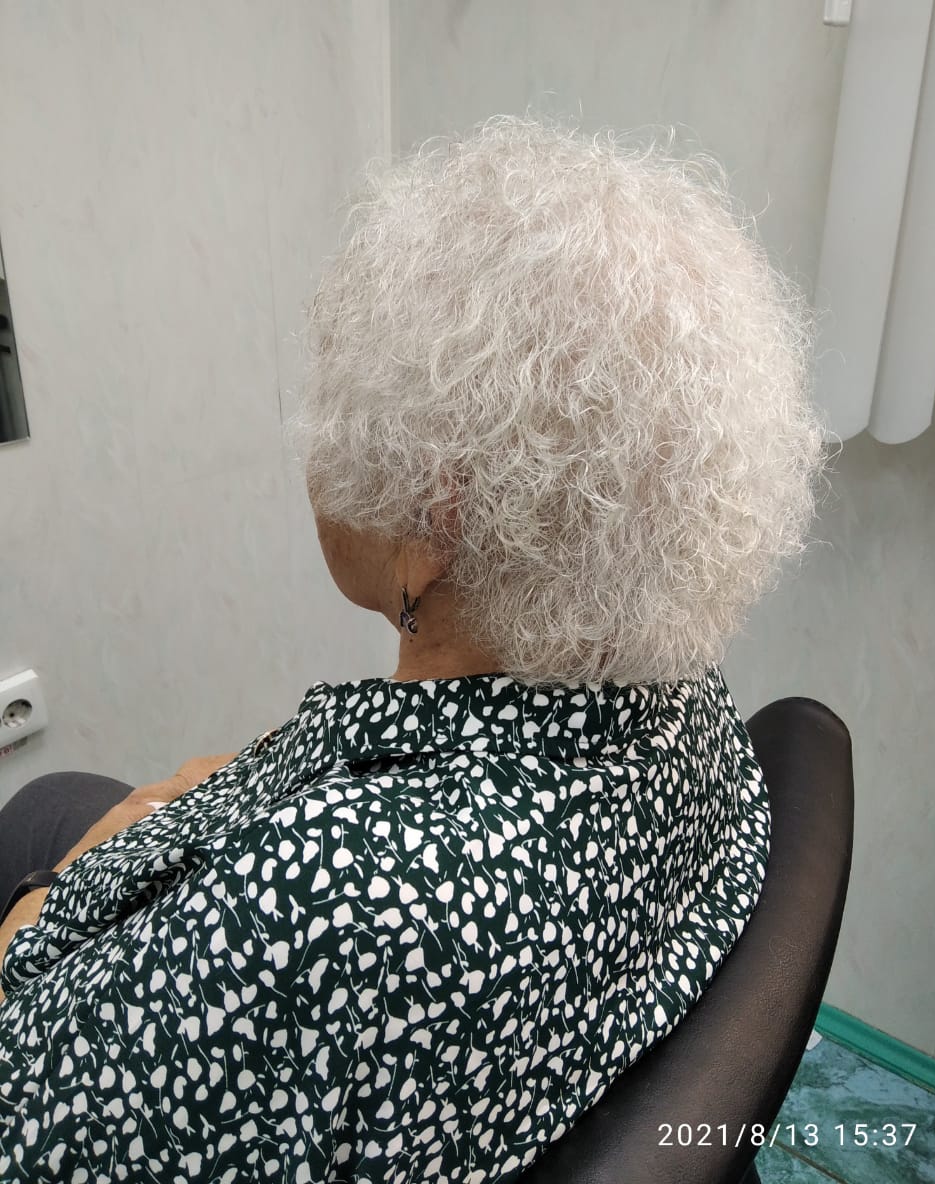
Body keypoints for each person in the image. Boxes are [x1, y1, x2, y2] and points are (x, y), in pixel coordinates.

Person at [0, 112, 829, 1182]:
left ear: (434, 522)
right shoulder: (680, 694)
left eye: (333, 415)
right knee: (62, 793)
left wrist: (40, 906)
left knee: (40, 818)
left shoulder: (322, 907)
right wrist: (224, 800)